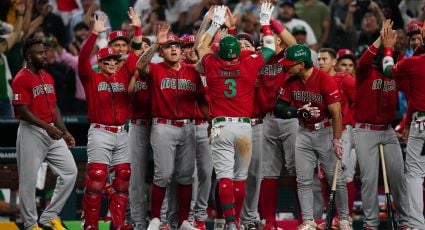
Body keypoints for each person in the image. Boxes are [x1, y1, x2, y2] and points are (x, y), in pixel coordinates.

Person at [196, 3, 275, 229]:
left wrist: (215, 25)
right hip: (244, 127)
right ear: (239, 52)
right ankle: (237, 222)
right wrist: (265, 21)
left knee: (224, 178)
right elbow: (269, 47)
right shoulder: (250, 64)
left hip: (220, 126)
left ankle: (230, 222)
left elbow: (202, 47)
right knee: (240, 178)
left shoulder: (211, 63)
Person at [136, 24, 206, 230]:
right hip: (163, 126)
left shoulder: (192, 71)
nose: (174, 49)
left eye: (177, 46)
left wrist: (211, 121)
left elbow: (202, 100)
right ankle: (156, 218)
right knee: (163, 174)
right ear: (162, 51)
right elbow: (140, 65)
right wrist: (156, 42)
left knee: (186, 175)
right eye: (169, 46)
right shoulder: (156, 69)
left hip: (188, 126)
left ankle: (184, 221)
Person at [275, 44, 351, 230]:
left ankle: (344, 219)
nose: (286, 67)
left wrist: (337, 139)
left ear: (301, 64)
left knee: (336, 178)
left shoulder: (324, 79)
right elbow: (278, 107)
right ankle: (308, 220)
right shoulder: (290, 80)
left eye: (289, 64)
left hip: (325, 131)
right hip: (303, 132)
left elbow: (336, 113)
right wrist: (297, 111)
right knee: (304, 179)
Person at [78, 10, 142, 229]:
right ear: (100, 61)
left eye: (115, 60)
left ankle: (117, 223)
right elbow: (82, 57)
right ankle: (91, 225)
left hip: (121, 133)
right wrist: (94, 35)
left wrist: (138, 29)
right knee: (96, 180)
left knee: (123, 179)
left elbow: (134, 52)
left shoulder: (123, 74)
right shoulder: (91, 76)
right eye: (108, 60)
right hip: (100, 132)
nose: (113, 63)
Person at [12, 38, 78, 230]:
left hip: (52, 129)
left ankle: (48, 216)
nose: (45, 55)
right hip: (31, 131)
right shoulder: (21, 78)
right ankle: (31, 225)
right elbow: (23, 110)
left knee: (69, 172)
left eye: (45, 51)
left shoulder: (47, 76)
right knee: (28, 180)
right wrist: (48, 127)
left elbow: (54, 106)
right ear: (29, 57)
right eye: (40, 53)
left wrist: (65, 131)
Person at [353, 19, 409, 230]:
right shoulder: (365, 72)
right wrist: (382, 39)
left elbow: (413, 96)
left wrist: (391, 45)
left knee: (398, 177)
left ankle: (405, 222)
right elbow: (364, 60)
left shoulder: (395, 71)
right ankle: (371, 224)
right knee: (368, 180)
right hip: (365, 130)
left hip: (387, 131)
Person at [254, 18, 300, 230]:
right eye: (265, 40)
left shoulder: (287, 59)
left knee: (296, 169)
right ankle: (269, 223)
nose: (267, 43)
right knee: (268, 172)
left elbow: (294, 45)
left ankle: (304, 220)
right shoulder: (259, 60)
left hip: (290, 118)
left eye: (271, 40)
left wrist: (270, 20)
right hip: (268, 119)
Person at [381, 19, 424, 230]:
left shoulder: (413, 63)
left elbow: (388, 70)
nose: (416, 41)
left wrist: (388, 48)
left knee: (415, 173)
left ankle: (416, 225)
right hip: (416, 118)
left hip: (422, 123)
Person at [317, 48, 356, 229]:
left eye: (324, 59)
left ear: (333, 62)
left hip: (343, 131)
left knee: (344, 176)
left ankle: (345, 217)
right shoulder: (316, 79)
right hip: (323, 131)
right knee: (324, 176)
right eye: (319, 59)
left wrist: (350, 121)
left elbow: (360, 100)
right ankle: (331, 215)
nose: (320, 62)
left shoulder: (344, 79)